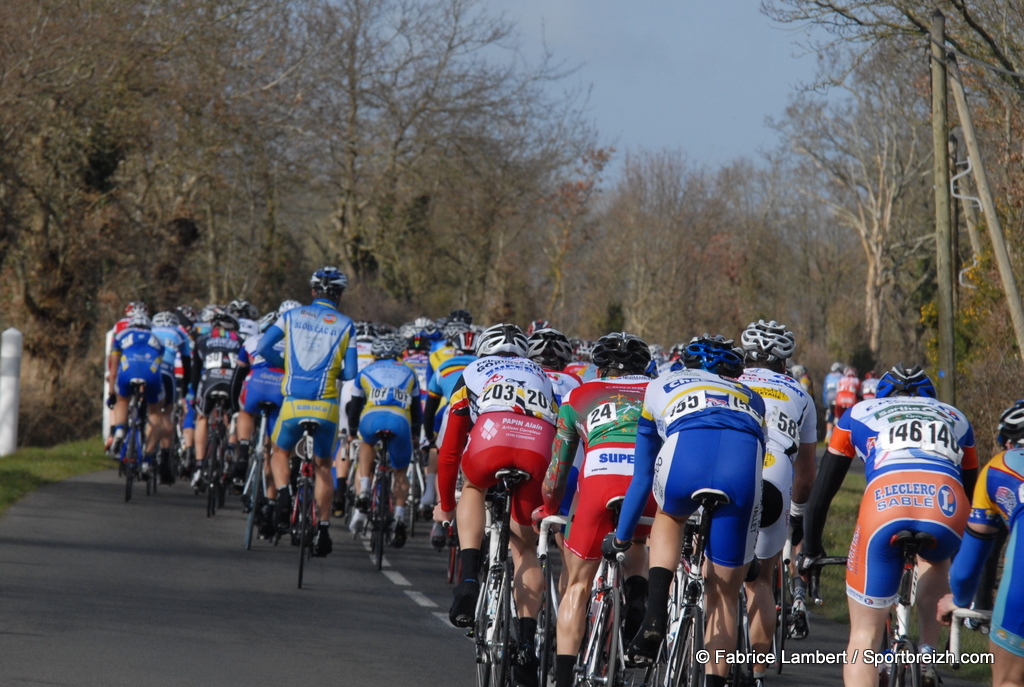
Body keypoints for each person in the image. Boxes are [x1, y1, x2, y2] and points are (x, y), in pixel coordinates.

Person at [800, 363, 978, 687]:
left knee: (863, 639)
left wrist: (811, 549)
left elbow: (821, 495)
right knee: (936, 557)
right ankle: (926, 653)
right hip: (946, 506)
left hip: (885, 506)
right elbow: (972, 492)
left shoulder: (858, 413)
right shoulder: (956, 417)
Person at [603, 334, 765, 687]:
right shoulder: (753, 397)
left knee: (670, 515)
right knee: (724, 597)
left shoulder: (659, 384)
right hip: (742, 467)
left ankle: (655, 613)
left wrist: (622, 538)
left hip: (685, 458)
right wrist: (749, 551)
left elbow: (643, 476)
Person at [433, 323, 557, 687]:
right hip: (537, 449)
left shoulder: (470, 372)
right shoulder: (543, 376)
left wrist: (444, 506)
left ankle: (469, 577)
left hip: (491, 442)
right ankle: (526, 645)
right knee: (525, 551)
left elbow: (450, 451)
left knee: (472, 486)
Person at [537, 332, 655, 687]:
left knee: (577, 585)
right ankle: (637, 594)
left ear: (599, 368)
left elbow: (558, 472)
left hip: (599, 485)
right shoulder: (661, 392)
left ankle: (562, 678)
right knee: (636, 540)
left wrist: (548, 509)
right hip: (646, 488)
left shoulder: (578, 395)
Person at [258, 267, 357, 558]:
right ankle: (324, 529)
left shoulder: (290, 316)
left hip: (293, 403)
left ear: (313, 292)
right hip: (326, 405)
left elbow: (263, 346)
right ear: (339, 295)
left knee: (279, 452)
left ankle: (284, 494)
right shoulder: (346, 324)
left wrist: (287, 362)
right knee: (324, 465)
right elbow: (350, 372)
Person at [737, 320, 817, 680]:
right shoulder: (801, 394)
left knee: (718, 580)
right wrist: (797, 514)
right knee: (762, 582)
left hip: (733, 468)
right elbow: (807, 472)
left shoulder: (729, 380)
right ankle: (754, 673)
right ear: (785, 363)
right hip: (776, 473)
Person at [938, 400, 1024, 687]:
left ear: (1008, 442)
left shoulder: (998, 469)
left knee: (1010, 680)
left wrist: (959, 600)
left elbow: (967, 566)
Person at [346, 333, 422, 548]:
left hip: (372, 419)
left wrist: (353, 432)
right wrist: (415, 434)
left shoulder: (365, 371)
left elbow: (354, 407)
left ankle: (364, 490)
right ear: (399, 354)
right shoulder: (409, 371)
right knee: (400, 471)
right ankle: (398, 516)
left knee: (366, 443)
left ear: (375, 354)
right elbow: (417, 410)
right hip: (400, 421)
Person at [422, 327, 478, 549]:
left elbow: (430, 407)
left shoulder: (443, 366)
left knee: (443, 454)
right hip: (478, 414)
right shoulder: (483, 366)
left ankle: (440, 516)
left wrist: (428, 437)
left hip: (449, 413)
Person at [189, 310, 243, 490]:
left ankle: (198, 465)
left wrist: (193, 397)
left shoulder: (202, 339)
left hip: (209, 381)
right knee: (235, 415)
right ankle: (229, 451)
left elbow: (195, 373)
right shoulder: (240, 340)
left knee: (202, 417)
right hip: (231, 383)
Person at [106, 312, 167, 468]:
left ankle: (119, 430)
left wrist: (112, 393)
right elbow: (157, 364)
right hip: (150, 374)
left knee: (122, 399)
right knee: (154, 411)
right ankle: (148, 457)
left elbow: (113, 370)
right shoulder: (158, 340)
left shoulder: (120, 336)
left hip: (128, 372)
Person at [151, 311, 193, 483]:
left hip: (150, 372)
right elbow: (186, 364)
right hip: (169, 374)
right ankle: (165, 460)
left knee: (151, 412)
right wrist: (186, 389)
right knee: (166, 414)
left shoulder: (150, 331)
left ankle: (145, 455)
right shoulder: (181, 334)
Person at [823, 362, 843, 442]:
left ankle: (828, 435)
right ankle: (836, 437)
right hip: (838, 398)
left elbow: (824, 391)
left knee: (830, 417)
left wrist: (825, 404)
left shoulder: (828, 376)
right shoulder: (842, 376)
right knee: (838, 416)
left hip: (828, 398)